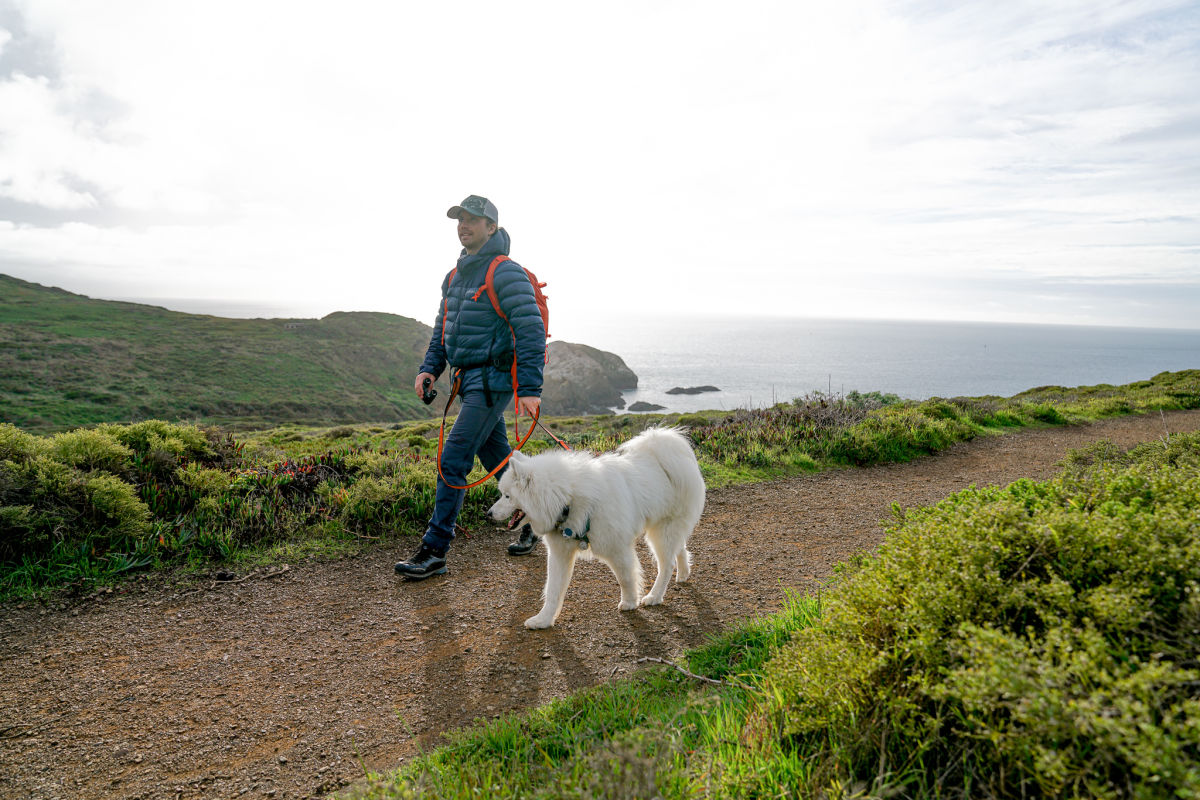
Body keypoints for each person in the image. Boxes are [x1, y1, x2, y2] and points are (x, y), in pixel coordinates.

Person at [394, 195, 546, 580]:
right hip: (466, 381)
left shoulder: (505, 272)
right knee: (499, 460)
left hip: (493, 383)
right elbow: (443, 329)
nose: (464, 225)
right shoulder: (454, 276)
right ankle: (533, 521)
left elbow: (529, 329)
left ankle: (434, 550)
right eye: (460, 219)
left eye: (473, 219)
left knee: (453, 460)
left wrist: (529, 388)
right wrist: (429, 369)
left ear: (491, 227)